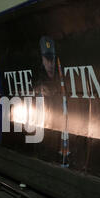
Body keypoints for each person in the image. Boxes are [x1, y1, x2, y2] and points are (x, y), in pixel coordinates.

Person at [35, 36, 69, 167]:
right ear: (42, 60)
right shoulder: (39, 80)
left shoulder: (60, 79)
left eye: (52, 59)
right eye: (47, 60)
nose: (50, 64)